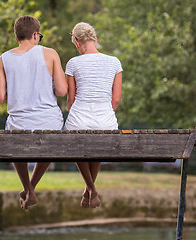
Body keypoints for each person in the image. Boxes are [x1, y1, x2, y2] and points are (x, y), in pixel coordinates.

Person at [0, 15, 67, 210]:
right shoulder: (51, 54)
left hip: (19, 124)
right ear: (35, 34)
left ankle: (27, 187)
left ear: (17, 36)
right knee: (51, 138)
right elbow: (61, 91)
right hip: (49, 122)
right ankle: (31, 187)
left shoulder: (4, 59)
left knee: (15, 134)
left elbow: (0, 97)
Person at [64, 22, 123, 208]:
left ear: (76, 42)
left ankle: (90, 188)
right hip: (106, 120)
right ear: (95, 39)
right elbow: (116, 100)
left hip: (79, 118)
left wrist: (77, 113)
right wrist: (104, 113)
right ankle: (89, 190)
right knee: (97, 141)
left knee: (76, 142)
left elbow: (71, 100)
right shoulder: (114, 62)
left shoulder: (73, 63)